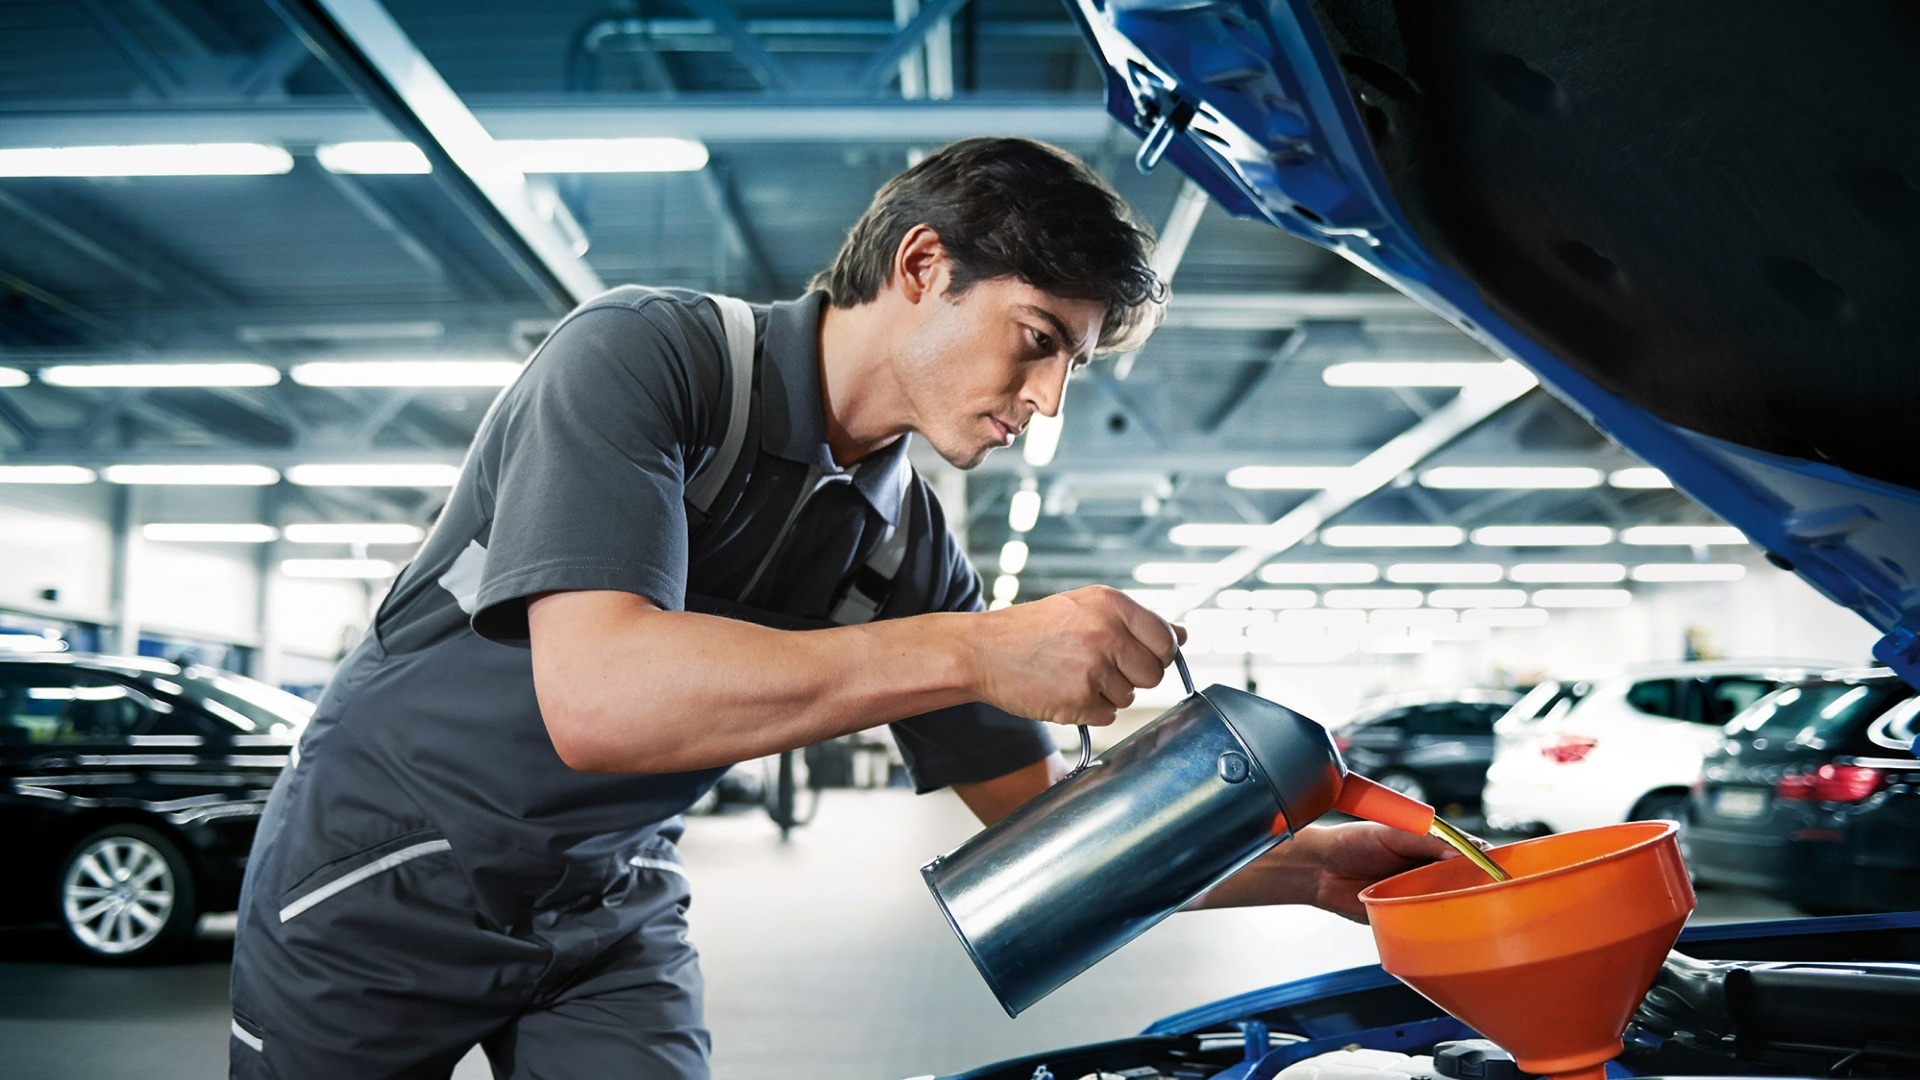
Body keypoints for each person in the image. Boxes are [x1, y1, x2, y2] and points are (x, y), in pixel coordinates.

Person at [229, 137, 1459, 1080]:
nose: (1046, 404)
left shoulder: (904, 544)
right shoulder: (644, 361)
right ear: (922, 266)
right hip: (385, 881)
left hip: (604, 908)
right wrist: (979, 649)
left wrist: (1302, 870)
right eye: (1036, 342)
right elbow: (601, 702)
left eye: (1072, 366)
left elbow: (1040, 830)